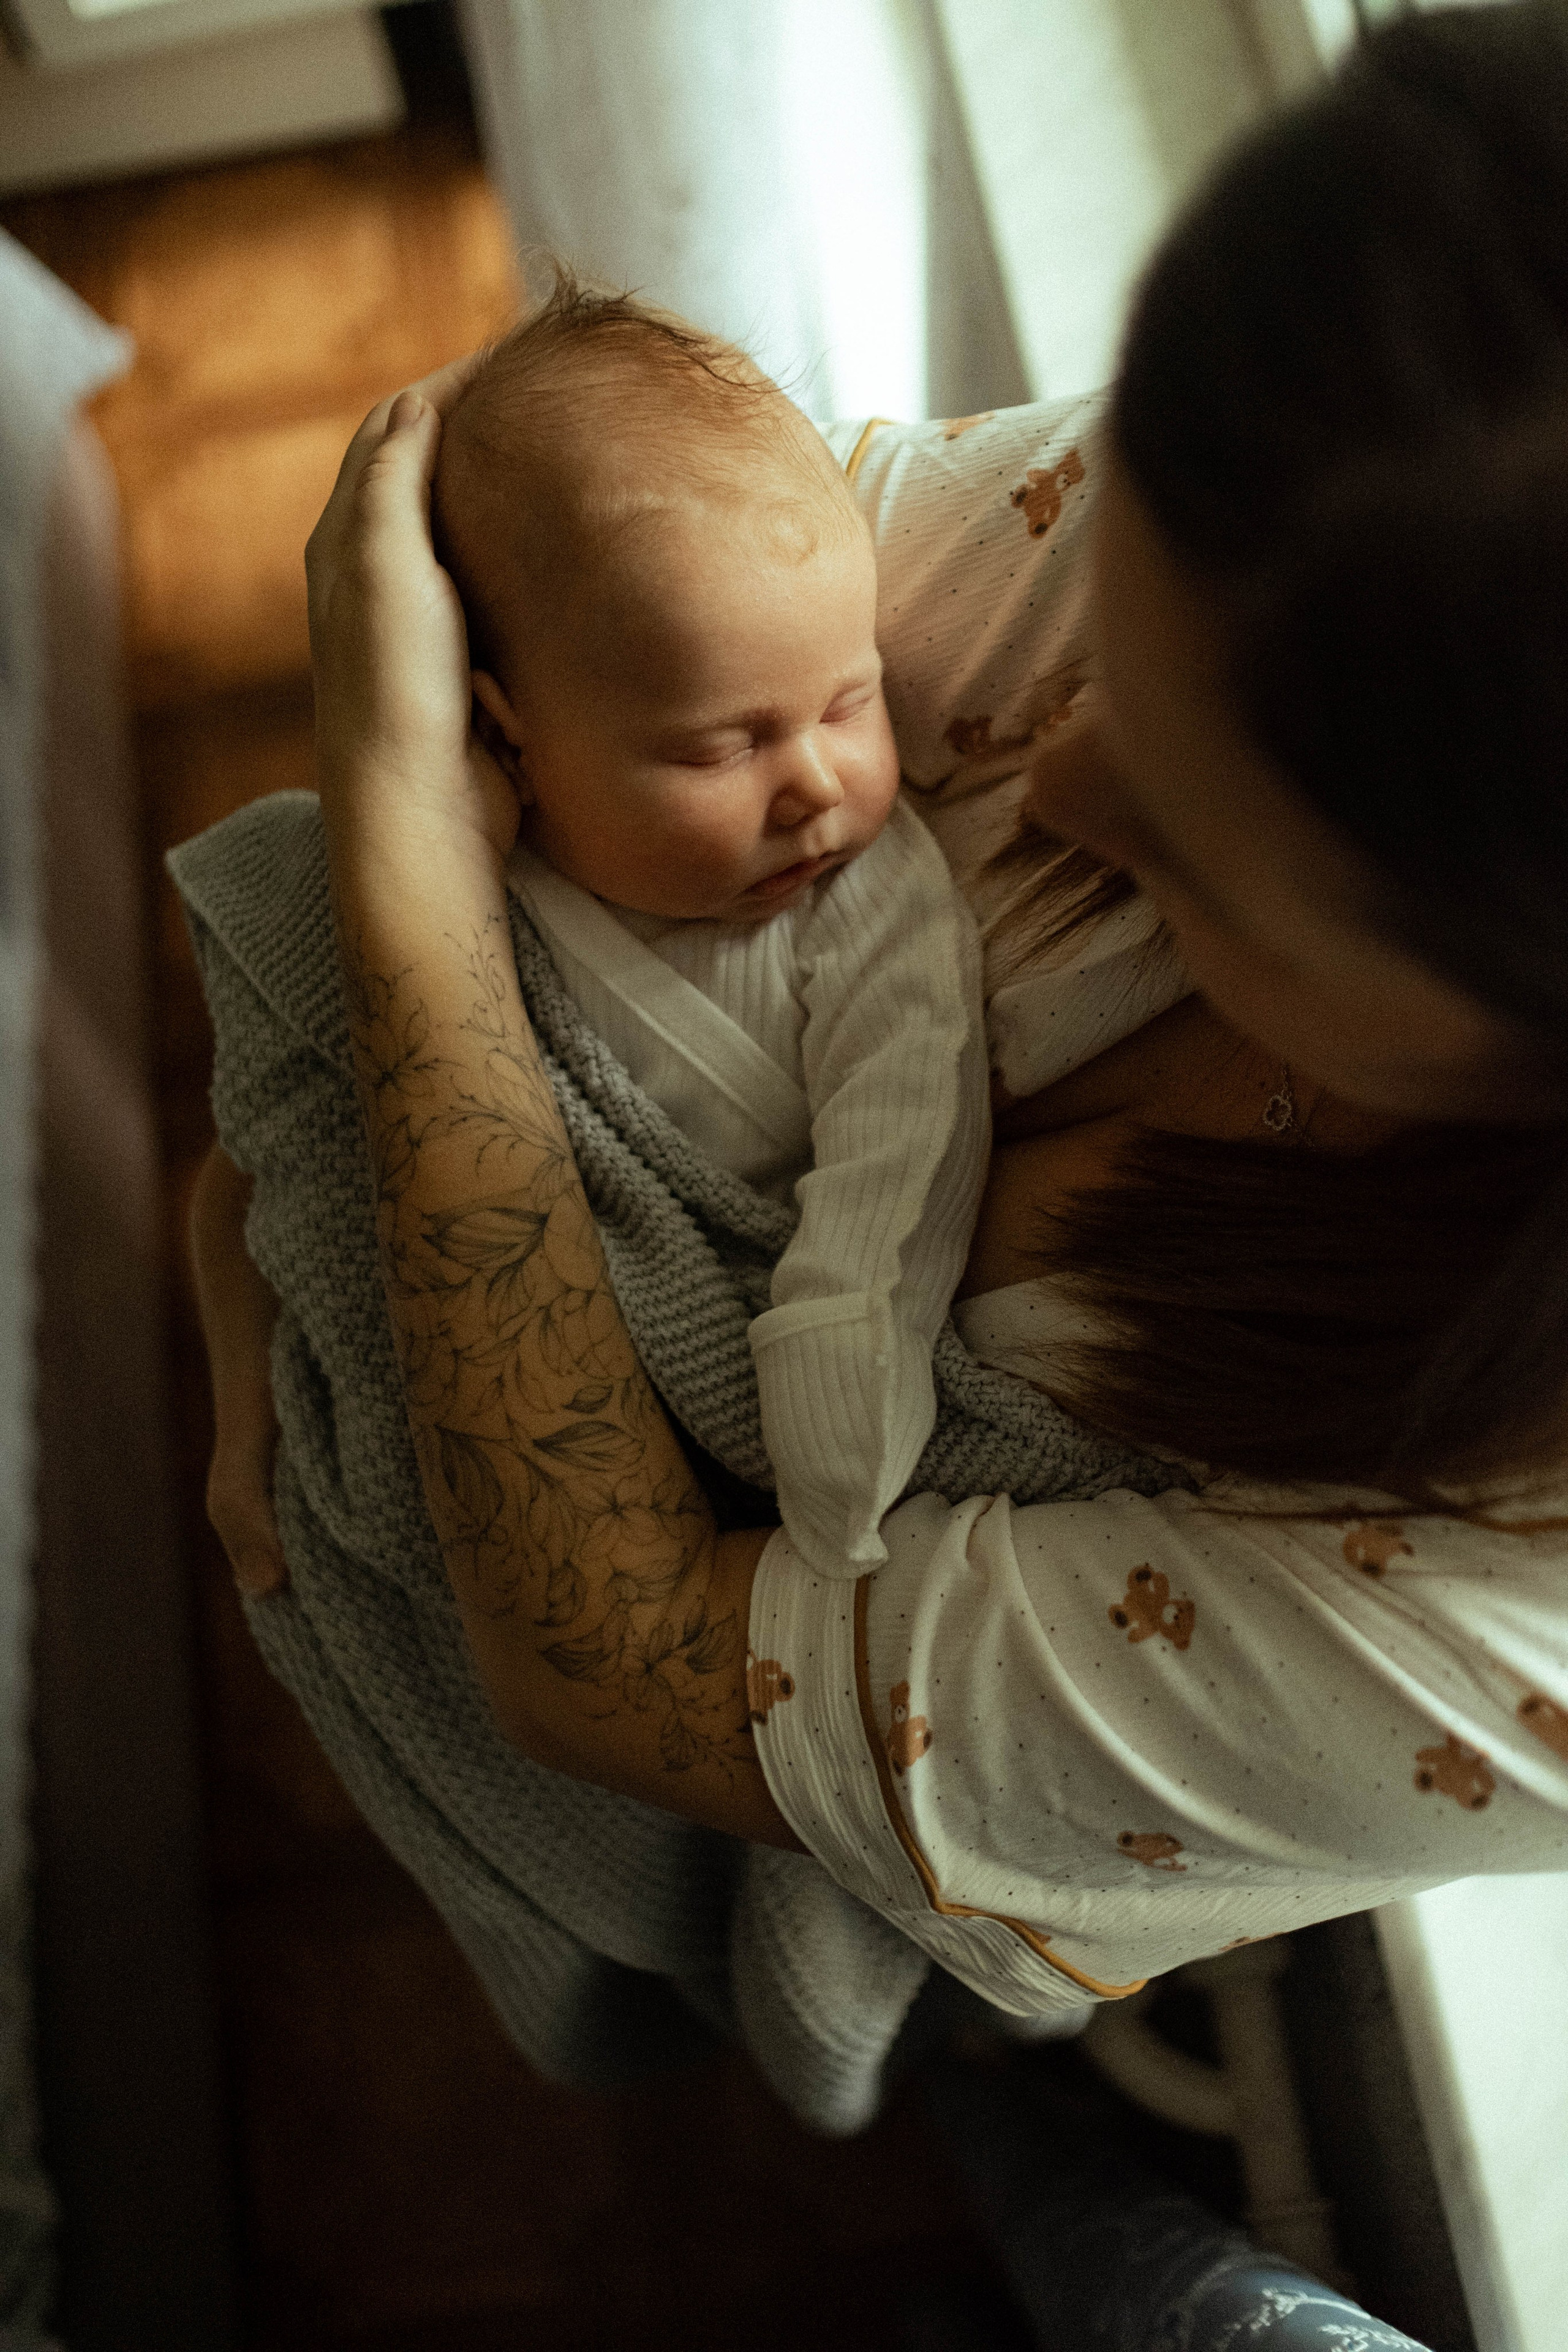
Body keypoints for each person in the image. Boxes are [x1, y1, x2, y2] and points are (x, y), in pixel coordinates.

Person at [192, 2, 1568, 2029]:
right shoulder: (1403, 479)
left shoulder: (1515, 1620)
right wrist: (248, 1236)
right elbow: (629, 571)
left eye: (1195, 841)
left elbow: (616, 1677)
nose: (1056, 783)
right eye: (1109, 648)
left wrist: (405, 858)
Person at [430, 276, 987, 1581]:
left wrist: (841, 1368)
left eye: (848, 700)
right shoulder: (472, 874)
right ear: (515, 732)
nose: (811, 782)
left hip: (716, 1373)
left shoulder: (865, 892)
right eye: (723, 744)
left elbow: (906, 1125)